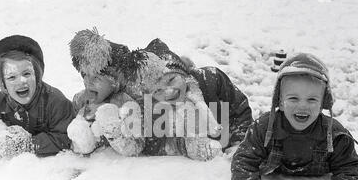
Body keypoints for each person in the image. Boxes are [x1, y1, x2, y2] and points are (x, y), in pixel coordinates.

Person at [67, 28, 253, 160]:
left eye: (171, 80)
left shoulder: (210, 80)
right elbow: (153, 142)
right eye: (85, 76)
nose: (168, 91)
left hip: (227, 146)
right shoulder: (139, 105)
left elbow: (240, 109)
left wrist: (238, 144)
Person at [231, 53, 358, 180]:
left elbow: (349, 168)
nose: (302, 106)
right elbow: (243, 162)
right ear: (280, 100)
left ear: (324, 102)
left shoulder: (335, 135)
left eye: (312, 99)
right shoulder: (264, 129)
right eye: (293, 98)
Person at [0, 35, 75, 158]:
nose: (22, 81)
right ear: (3, 83)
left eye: (26, 73)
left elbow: (67, 137)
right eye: (12, 77)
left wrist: (30, 144)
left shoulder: (56, 102)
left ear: (37, 75)